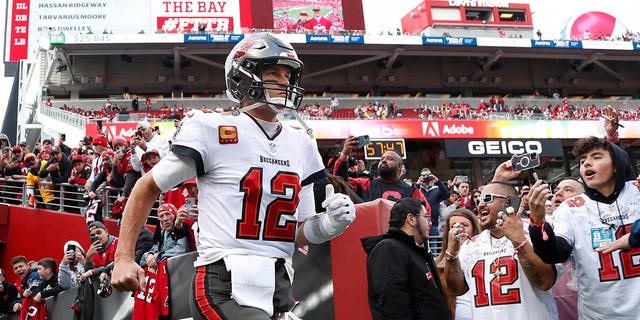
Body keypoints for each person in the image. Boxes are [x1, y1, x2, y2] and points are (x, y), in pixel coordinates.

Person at [111, 33, 356, 319]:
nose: (284, 81)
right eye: (273, 72)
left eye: (288, 74)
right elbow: (147, 186)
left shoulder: (302, 143)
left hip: (278, 285)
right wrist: (123, 256)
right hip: (222, 282)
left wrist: (328, 225)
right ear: (244, 78)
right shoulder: (213, 130)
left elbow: (298, 231)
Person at [528, 136, 640, 318]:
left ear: (616, 165)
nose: (587, 163)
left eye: (596, 157)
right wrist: (538, 222)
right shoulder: (572, 207)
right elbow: (555, 253)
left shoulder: (637, 191)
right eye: (582, 161)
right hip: (598, 314)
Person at [444, 182, 558, 319]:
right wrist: (451, 255)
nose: (480, 205)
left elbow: (545, 282)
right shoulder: (471, 245)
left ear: (509, 202)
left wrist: (519, 242)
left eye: (487, 199)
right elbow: (456, 290)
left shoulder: (535, 232)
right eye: (478, 200)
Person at [361, 198, 449, 319]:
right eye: (426, 217)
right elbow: (392, 307)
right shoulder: (389, 249)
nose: (430, 223)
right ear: (411, 219)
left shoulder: (415, 251)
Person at [434, 208, 481, 320]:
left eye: (465, 225)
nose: (459, 229)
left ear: (474, 229)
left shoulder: (487, 255)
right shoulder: (438, 263)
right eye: (453, 226)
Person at [416, 168, 451, 240]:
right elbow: (409, 197)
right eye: (423, 175)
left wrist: (438, 182)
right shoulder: (417, 189)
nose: (426, 177)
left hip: (433, 224)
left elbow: (446, 195)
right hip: (419, 223)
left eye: (428, 175)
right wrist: (417, 184)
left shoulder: (437, 189)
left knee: (434, 249)